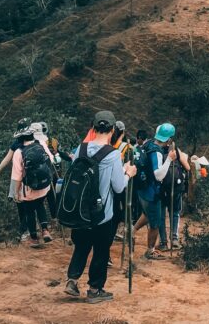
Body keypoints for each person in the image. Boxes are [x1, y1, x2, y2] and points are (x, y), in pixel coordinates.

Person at [65, 110, 137, 304]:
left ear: (93, 127)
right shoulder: (112, 154)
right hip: (102, 213)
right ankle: (95, 290)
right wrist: (128, 173)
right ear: (112, 130)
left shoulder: (80, 149)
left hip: (80, 210)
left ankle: (72, 280)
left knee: (81, 246)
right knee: (100, 250)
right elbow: (118, 186)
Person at [133, 122, 179, 259]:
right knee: (155, 223)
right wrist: (170, 160)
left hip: (142, 189)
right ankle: (150, 250)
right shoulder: (157, 152)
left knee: (147, 214)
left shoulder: (148, 144)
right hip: (152, 192)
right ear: (169, 139)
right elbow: (158, 175)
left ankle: (131, 231)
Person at [11, 122, 56, 248]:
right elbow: (51, 160)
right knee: (40, 205)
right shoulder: (40, 144)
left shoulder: (19, 152)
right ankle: (45, 230)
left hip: (29, 189)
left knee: (29, 211)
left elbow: (17, 176)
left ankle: (34, 238)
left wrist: (15, 192)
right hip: (44, 187)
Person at [158, 132, 189, 250]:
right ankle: (174, 239)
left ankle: (163, 242)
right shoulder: (176, 150)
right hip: (176, 187)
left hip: (162, 188)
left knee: (161, 215)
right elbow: (187, 167)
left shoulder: (157, 151)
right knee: (174, 213)